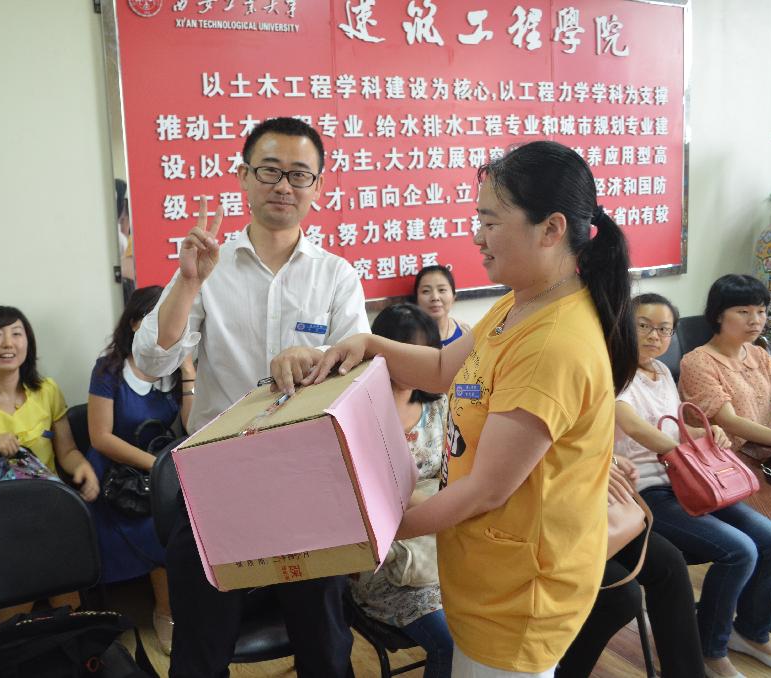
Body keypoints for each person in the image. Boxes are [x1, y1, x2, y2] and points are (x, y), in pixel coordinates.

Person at [310, 140, 637, 676]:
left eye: (490, 222)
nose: (477, 237)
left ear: (551, 229)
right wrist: (367, 345)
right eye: (477, 220)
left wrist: (375, 532)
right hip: (484, 575)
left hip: (520, 597)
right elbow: (444, 369)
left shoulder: (553, 344)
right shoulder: (521, 302)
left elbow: (487, 489)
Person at [132, 116, 369, 678]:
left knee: (326, 650)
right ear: (243, 176)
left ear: (318, 186)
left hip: (308, 485)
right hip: (217, 480)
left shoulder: (336, 276)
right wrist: (188, 282)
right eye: (269, 170)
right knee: (200, 653)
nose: (284, 185)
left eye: (299, 174)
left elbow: (356, 377)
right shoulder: (208, 266)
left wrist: (314, 359)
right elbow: (150, 361)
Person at [558, 296, 711, 675]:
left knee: (669, 564)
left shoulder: (608, 369)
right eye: (642, 326)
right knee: (620, 595)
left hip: (603, 498)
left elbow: (587, 439)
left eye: (663, 329)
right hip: (557, 508)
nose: (652, 336)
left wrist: (606, 461)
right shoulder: (590, 370)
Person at [0, 305, 99, 621]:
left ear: (28, 343)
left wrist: (83, 467)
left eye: (16, 333)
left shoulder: (47, 391)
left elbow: (67, 451)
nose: (8, 343)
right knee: (14, 615)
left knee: (69, 605)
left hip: (49, 509)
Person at [674, 276, 771, 675]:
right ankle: (741, 631)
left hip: (770, 458)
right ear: (719, 315)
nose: (755, 320)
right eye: (743, 311)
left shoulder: (759, 354)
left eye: (761, 311)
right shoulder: (697, 362)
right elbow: (731, 424)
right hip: (730, 468)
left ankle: (751, 630)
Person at [87, 284, 193, 654]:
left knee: (186, 518)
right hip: (115, 473)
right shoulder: (110, 369)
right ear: (135, 324)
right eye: (158, 320)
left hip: (158, 466)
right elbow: (100, 437)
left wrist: (189, 371)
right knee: (154, 524)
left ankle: (178, 609)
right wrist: (158, 468)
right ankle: (160, 612)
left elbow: (192, 425)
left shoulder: (175, 370)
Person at [350, 303, 453, 677]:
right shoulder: (357, 412)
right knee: (451, 641)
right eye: (405, 353)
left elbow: (454, 471)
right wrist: (453, 511)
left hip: (441, 545)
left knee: (489, 620)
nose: (415, 365)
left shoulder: (439, 404)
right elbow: (375, 493)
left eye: (424, 355)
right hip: (387, 561)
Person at [413, 266, 470, 347]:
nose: (435, 297)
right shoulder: (408, 338)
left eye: (442, 290)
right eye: (426, 291)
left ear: (453, 297)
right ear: (416, 299)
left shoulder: (464, 331)